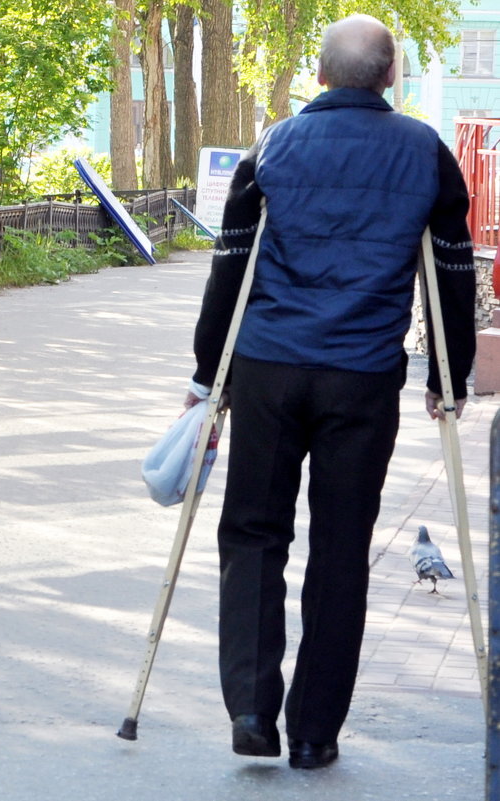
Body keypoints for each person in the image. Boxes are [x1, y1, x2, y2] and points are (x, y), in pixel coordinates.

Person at [185, 15, 475, 770]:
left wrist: (204, 373)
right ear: (387, 79)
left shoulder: (272, 146)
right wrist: (449, 378)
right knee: (340, 547)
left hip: (267, 370)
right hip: (361, 377)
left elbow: (230, 266)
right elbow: (449, 271)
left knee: (252, 530)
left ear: (318, 76)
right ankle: (314, 731)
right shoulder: (425, 153)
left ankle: (251, 708)